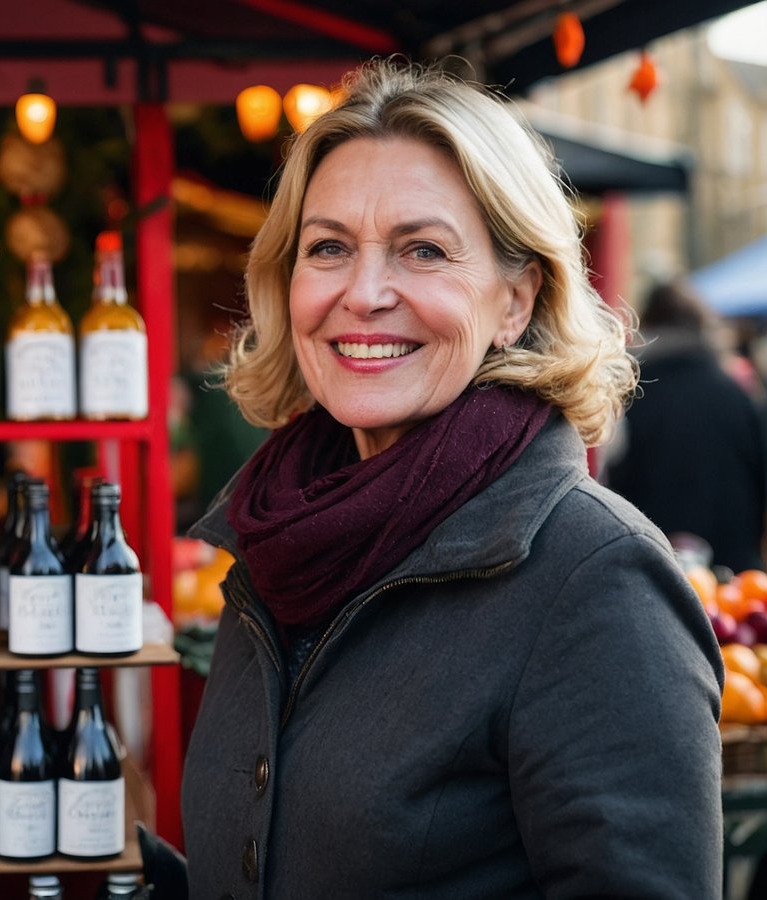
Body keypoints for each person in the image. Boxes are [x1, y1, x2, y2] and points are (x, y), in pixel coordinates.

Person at [177, 59, 723, 899]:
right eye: (328, 249)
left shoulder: (596, 579)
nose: (363, 293)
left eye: (422, 250)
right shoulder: (277, 540)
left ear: (515, 300)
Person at [605, 278, 767, 573]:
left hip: (654, 572)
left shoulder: (632, 396)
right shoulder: (735, 393)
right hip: (737, 576)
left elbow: (611, 483)